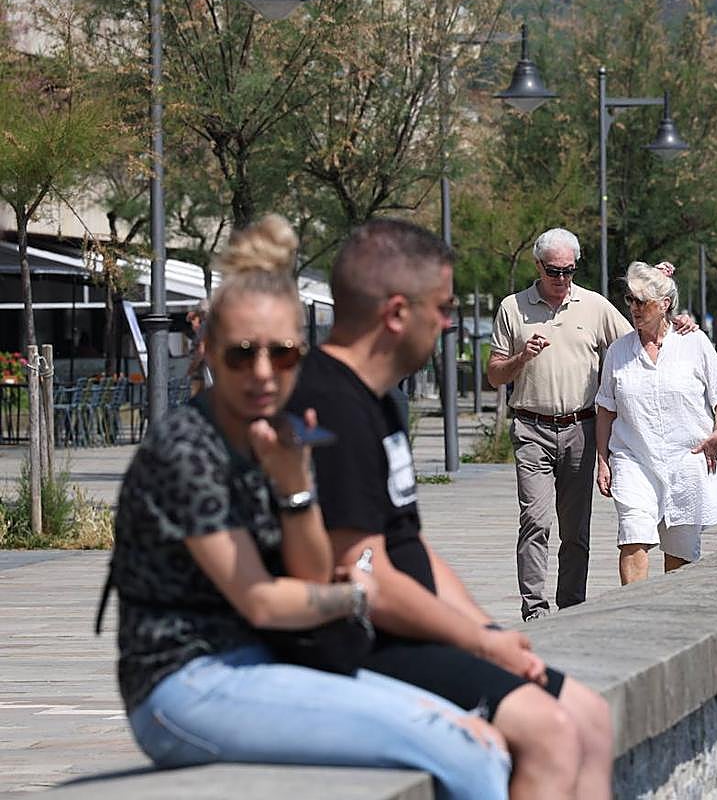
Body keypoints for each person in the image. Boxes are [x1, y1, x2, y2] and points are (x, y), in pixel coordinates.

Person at [105, 216, 509, 800]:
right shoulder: (186, 450)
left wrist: (296, 488)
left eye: (285, 353)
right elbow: (264, 601)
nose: (264, 373)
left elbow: (309, 575)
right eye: (242, 355)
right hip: (184, 686)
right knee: (466, 752)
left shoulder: (279, 433)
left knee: (481, 733)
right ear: (208, 351)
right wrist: (357, 596)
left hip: (262, 666)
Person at [286, 219, 613, 800]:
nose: (446, 326)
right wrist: (480, 644)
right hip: (353, 649)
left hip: (407, 628)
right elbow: (366, 573)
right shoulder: (327, 407)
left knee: (590, 715)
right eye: (441, 309)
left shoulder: (384, 404)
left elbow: (409, 547)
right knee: (547, 732)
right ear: (395, 314)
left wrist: (487, 630)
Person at [487, 228, 693, 621]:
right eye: (553, 271)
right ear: (538, 266)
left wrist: (670, 309)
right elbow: (494, 375)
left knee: (575, 528)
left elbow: (640, 334)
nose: (562, 279)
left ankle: (571, 605)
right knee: (534, 519)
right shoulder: (512, 308)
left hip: (580, 428)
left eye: (569, 271)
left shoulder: (593, 305)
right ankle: (535, 608)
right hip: (532, 428)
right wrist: (520, 359)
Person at [594, 262, 717, 583]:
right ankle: (634, 613)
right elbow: (605, 409)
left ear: (665, 305)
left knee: (680, 551)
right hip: (633, 459)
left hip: (686, 461)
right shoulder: (618, 352)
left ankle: (671, 618)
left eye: (642, 301)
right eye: (630, 300)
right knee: (632, 536)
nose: (634, 308)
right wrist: (603, 461)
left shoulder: (694, 343)